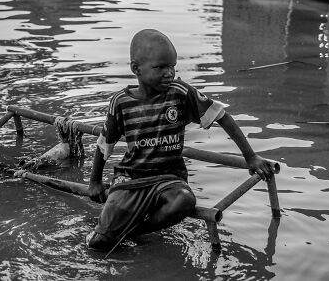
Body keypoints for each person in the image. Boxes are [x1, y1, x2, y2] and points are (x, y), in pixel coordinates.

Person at [86, 29, 274, 251]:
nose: (170, 73)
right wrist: (95, 181)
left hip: (169, 177)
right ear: (136, 69)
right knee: (98, 245)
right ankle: (112, 232)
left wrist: (251, 157)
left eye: (172, 66)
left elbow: (222, 116)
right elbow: (104, 143)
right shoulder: (120, 102)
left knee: (185, 201)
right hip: (130, 179)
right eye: (160, 67)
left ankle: (132, 232)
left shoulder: (180, 93)